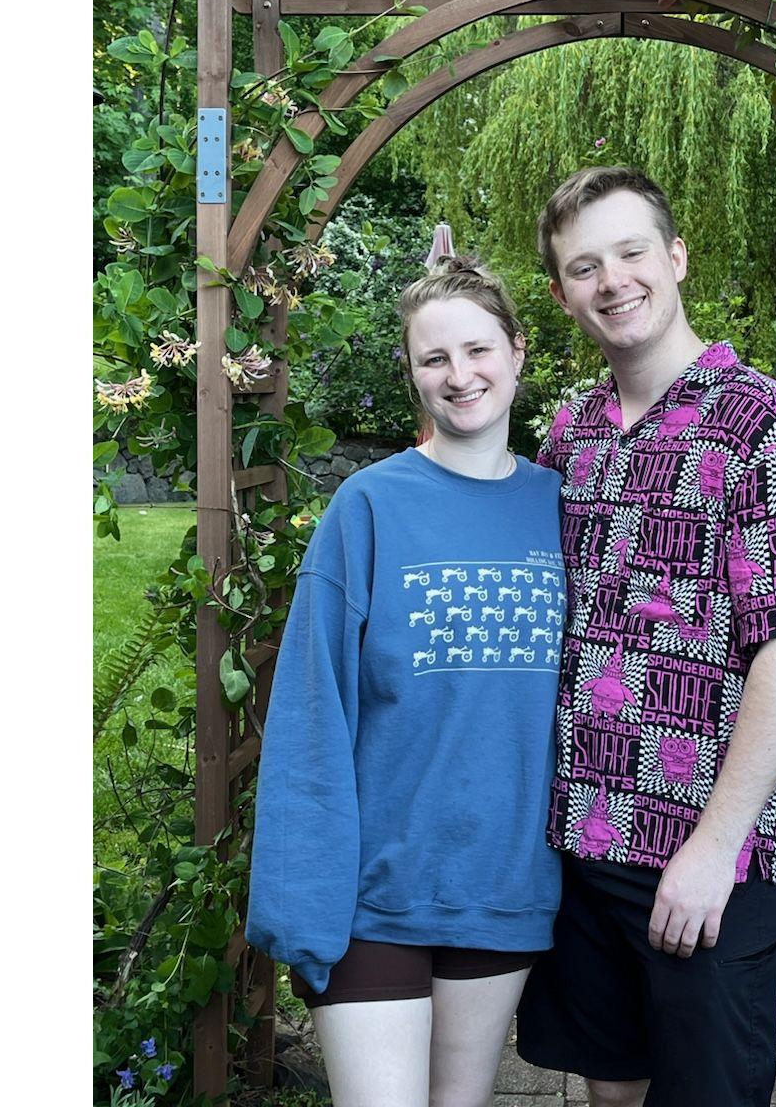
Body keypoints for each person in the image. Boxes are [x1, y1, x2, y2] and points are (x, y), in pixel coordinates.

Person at [515, 168, 776, 1107]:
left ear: (676, 257)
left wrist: (716, 845)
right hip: (583, 837)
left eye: (630, 252)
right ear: (561, 293)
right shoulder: (571, 434)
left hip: (705, 860)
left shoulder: (763, 424)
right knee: (613, 1089)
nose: (612, 280)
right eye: (585, 266)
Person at [247, 256, 566, 1107]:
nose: (460, 376)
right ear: (412, 372)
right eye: (435, 359)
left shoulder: (562, 508)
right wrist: (302, 898)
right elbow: (312, 708)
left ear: (517, 351)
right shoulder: (369, 506)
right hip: (373, 893)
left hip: (502, 887)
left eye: (478, 350)